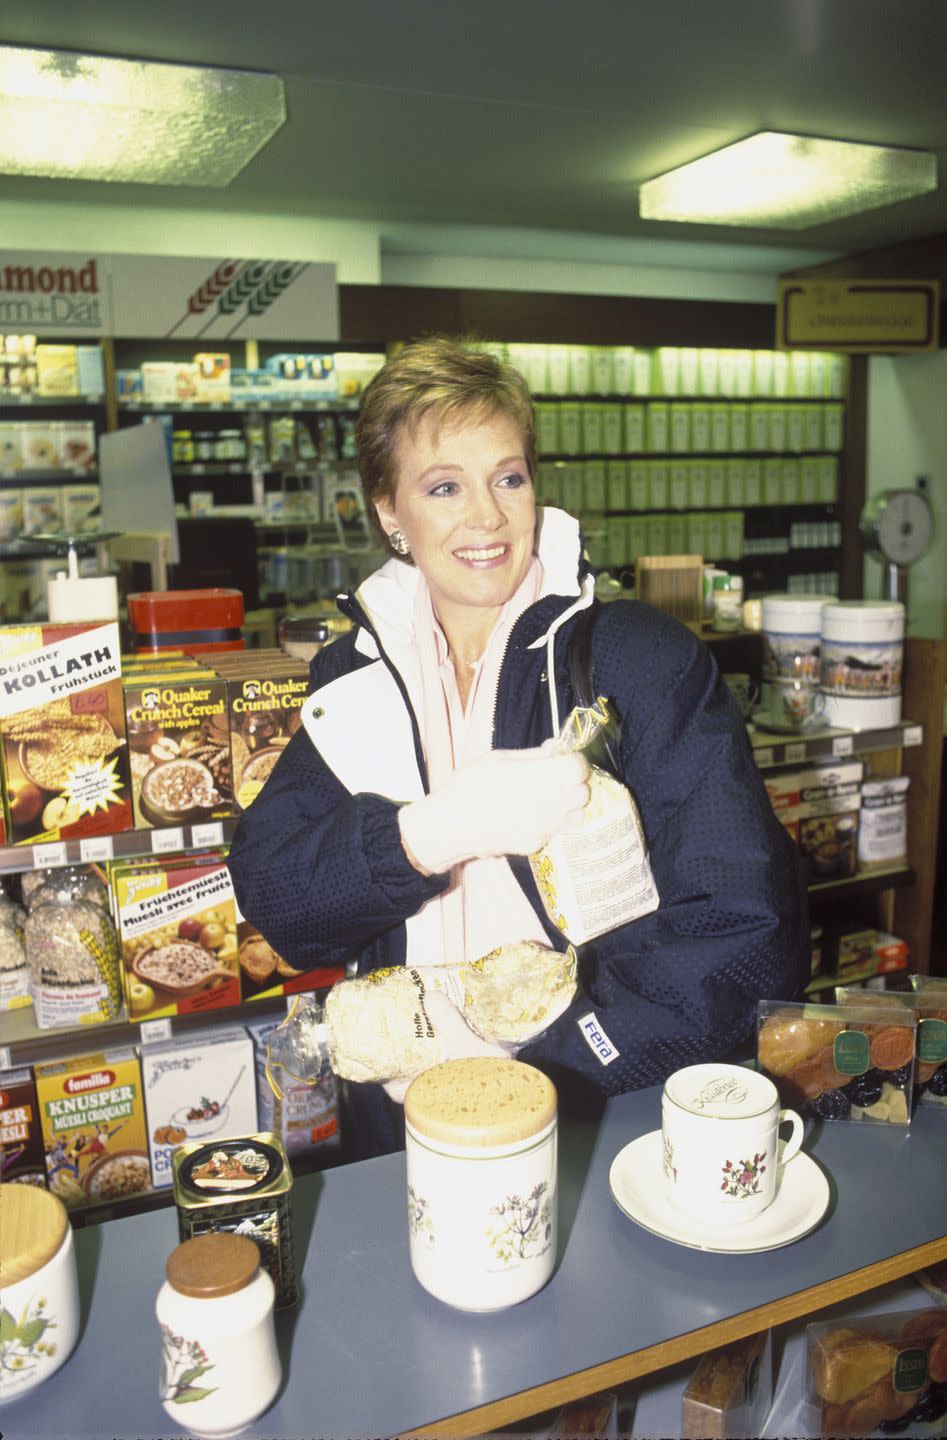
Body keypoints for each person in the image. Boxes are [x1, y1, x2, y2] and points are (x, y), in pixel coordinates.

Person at [227, 337, 808, 1158]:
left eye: (507, 477)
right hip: (398, 1121)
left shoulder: (637, 658)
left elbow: (744, 930)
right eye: (442, 487)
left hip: (594, 1110)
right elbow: (283, 906)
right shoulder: (351, 675)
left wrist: (556, 1073)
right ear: (389, 512)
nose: (487, 518)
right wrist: (429, 833)